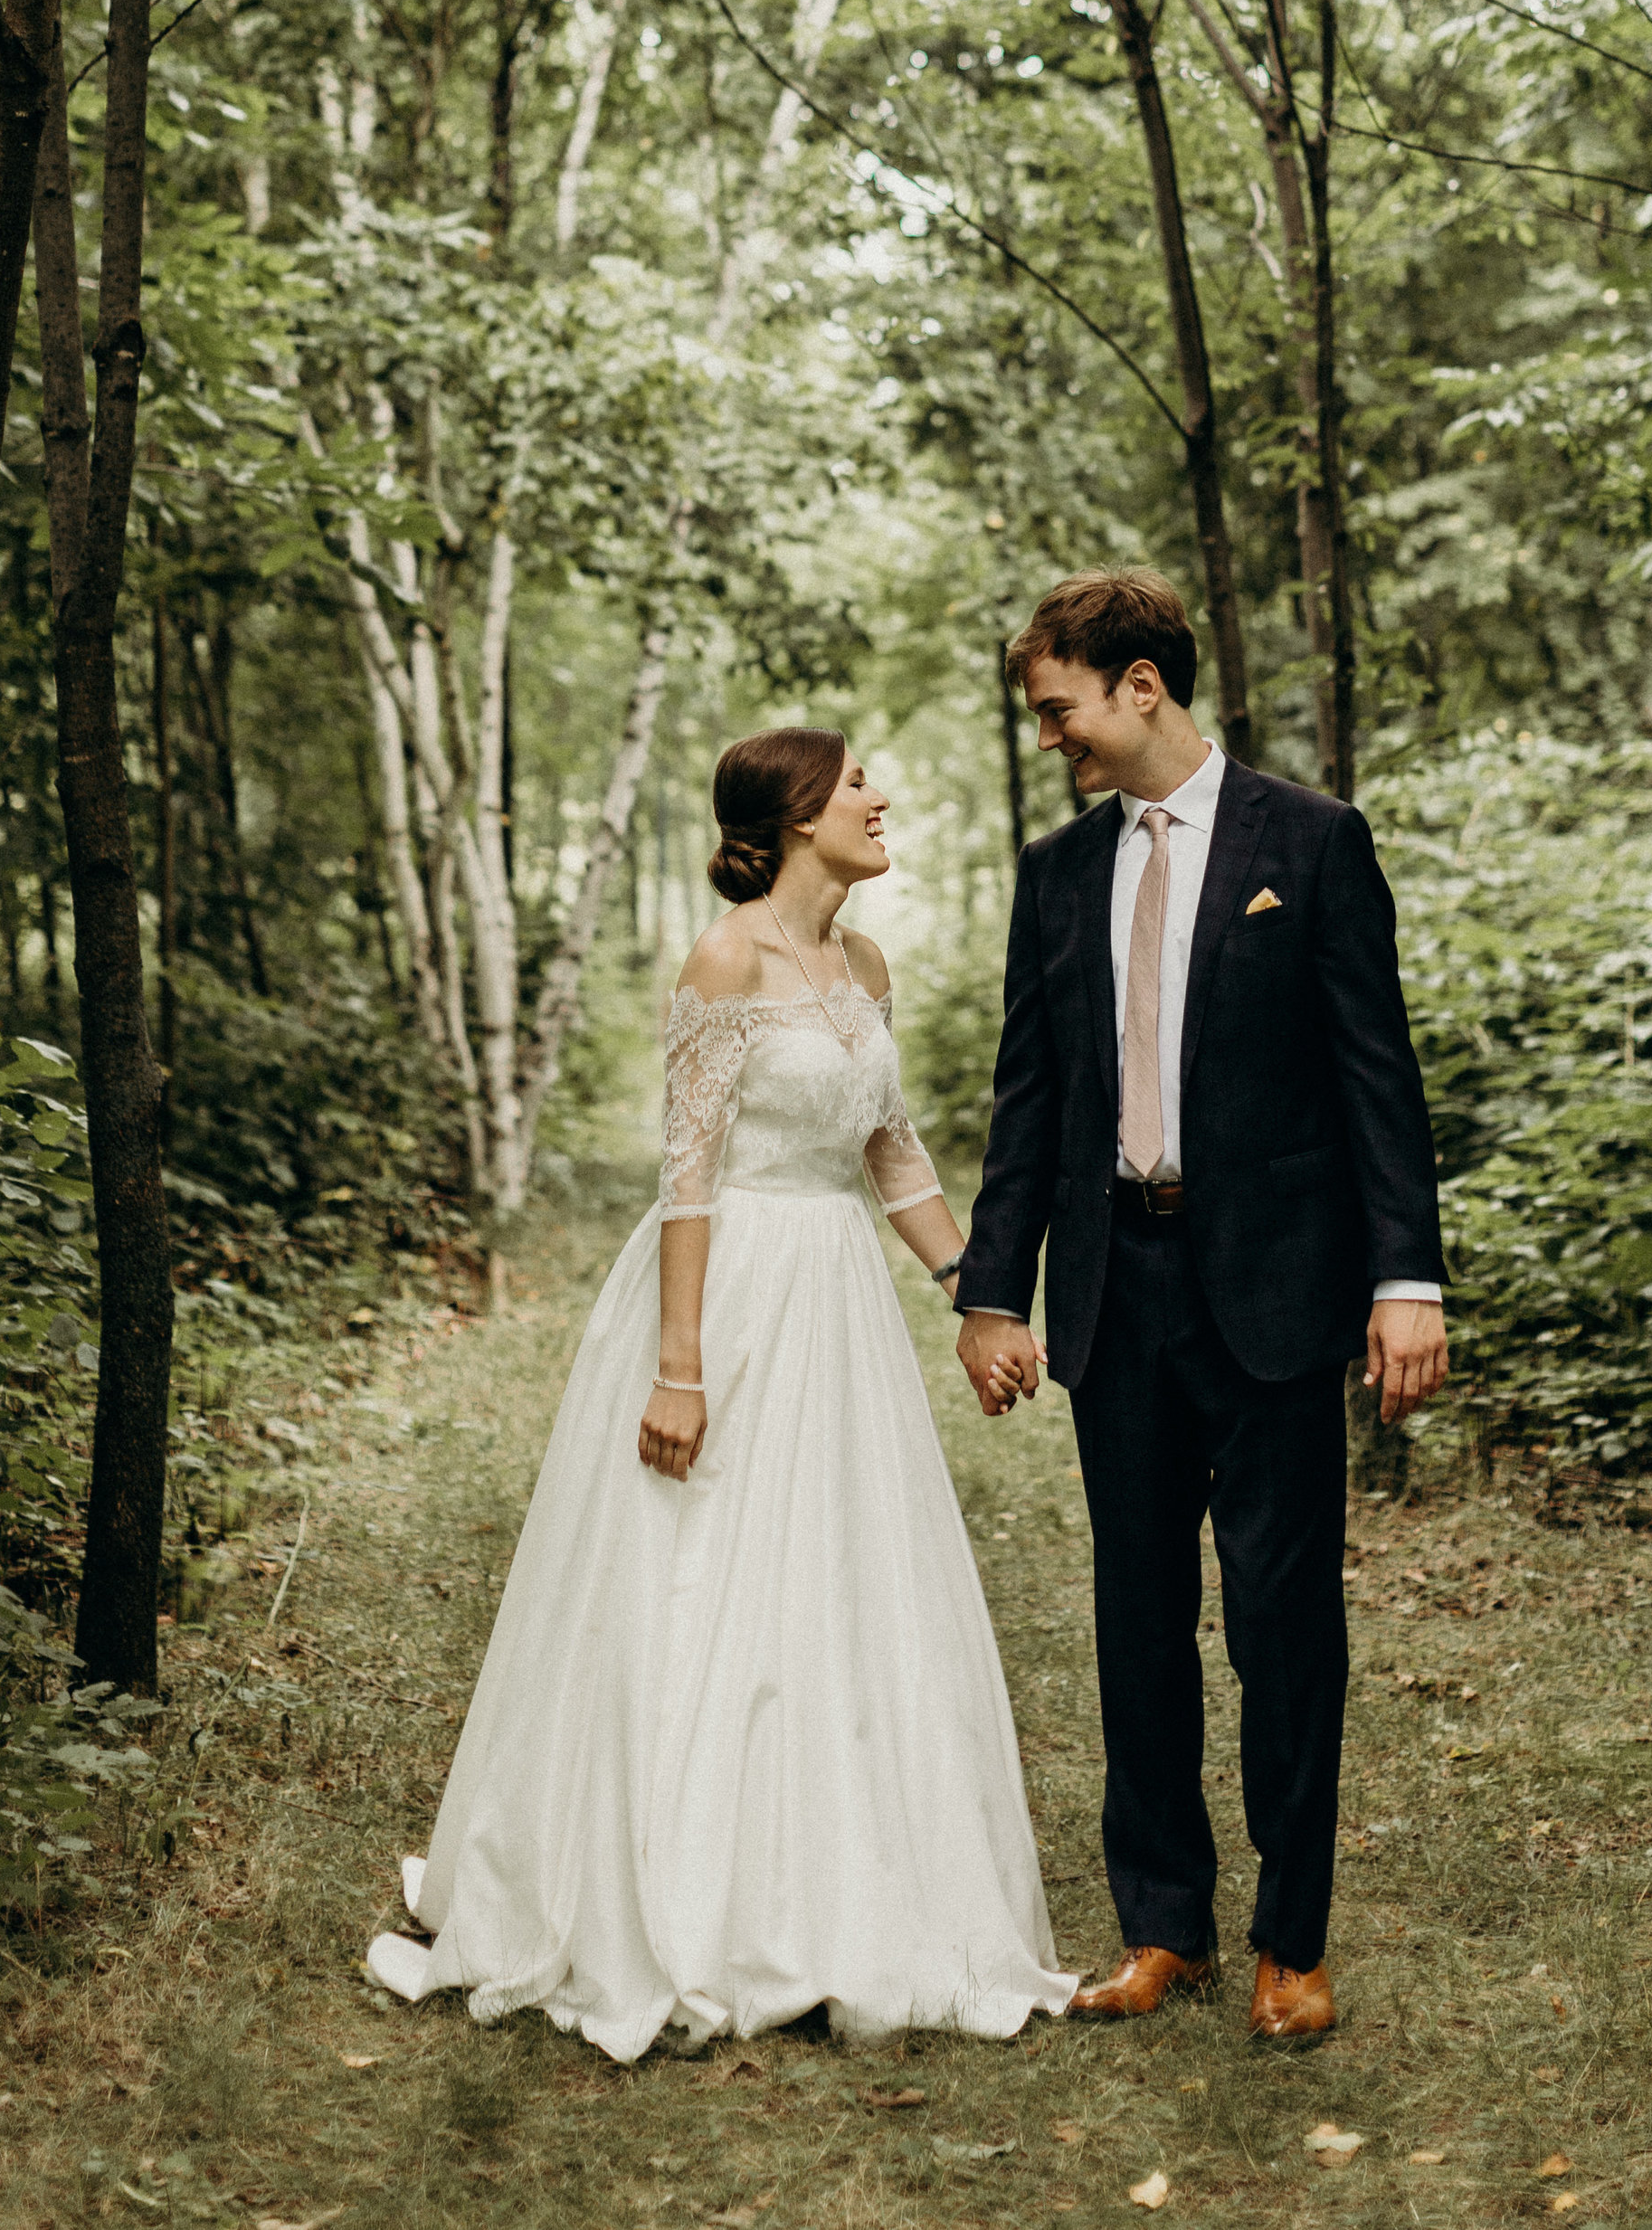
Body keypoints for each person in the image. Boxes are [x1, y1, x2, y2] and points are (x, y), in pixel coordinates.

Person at [366, 724, 1075, 2059]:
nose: (881, 794)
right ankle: (679, 1886)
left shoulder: (862, 960)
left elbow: (890, 1146)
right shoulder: (725, 955)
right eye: (860, 778)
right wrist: (678, 1369)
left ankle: (839, 1876)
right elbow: (686, 1174)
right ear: (799, 813)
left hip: (840, 1303)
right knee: (698, 1575)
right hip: (733, 1288)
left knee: (841, 1581)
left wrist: (974, 1298)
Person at [954, 568, 1448, 2045]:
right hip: (1119, 1294)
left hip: (1284, 1295)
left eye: (1060, 708)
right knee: (1137, 1613)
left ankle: (1290, 1942)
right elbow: (1028, 1099)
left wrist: (1404, 1278)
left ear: (1141, 685)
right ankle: (1161, 1919)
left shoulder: (1313, 840)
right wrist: (992, 1289)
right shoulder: (1055, 875)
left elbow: (1379, 1075)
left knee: (1286, 1621)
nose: (1052, 737)